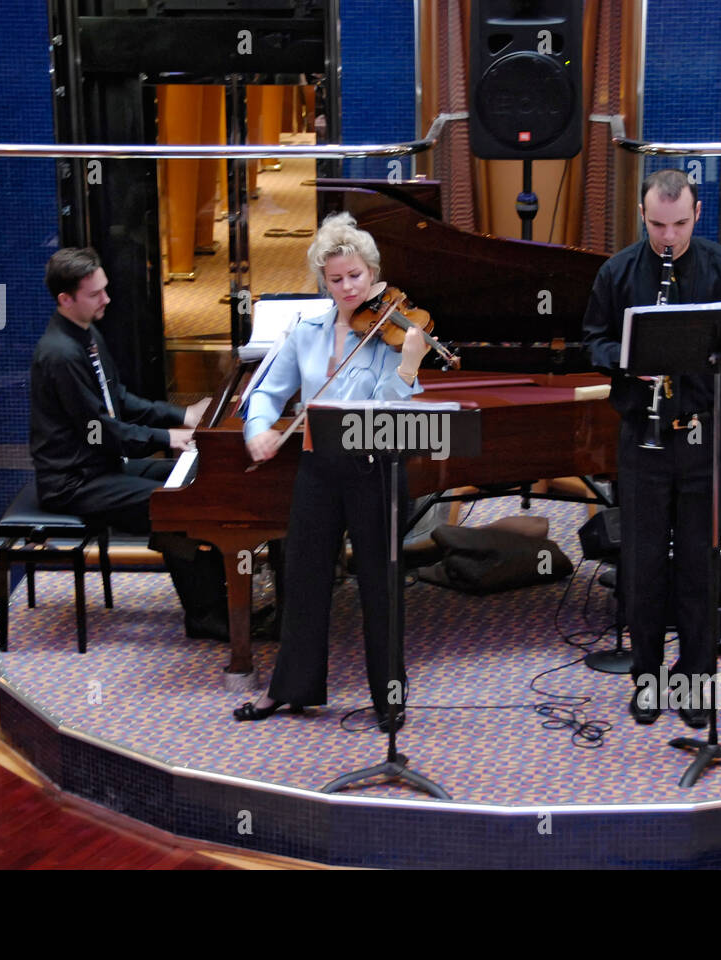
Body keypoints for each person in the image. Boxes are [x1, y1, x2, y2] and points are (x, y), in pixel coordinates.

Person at [231, 212, 432, 730]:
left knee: (380, 587)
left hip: (376, 471)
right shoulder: (306, 332)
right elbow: (266, 392)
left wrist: (409, 365)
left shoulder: (394, 331)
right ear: (323, 281)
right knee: (302, 580)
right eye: (336, 279)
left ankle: (389, 698)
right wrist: (258, 428)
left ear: (374, 273)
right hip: (318, 469)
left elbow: (396, 411)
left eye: (356, 276)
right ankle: (292, 689)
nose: (347, 288)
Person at [582, 169, 721, 727]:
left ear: (697, 215)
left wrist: (703, 368)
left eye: (679, 224)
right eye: (657, 224)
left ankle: (699, 683)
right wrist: (631, 359)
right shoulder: (619, 270)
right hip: (643, 438)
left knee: (703, 566)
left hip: (703, 437)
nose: (669, 237)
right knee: (643, 566)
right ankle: (648, 680)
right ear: (642, 213)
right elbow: (594, 339)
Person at [29, 246, 229, 639]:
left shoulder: (87, 334)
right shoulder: (60, 355)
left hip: (101, 466)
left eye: (105, 289)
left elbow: (117, 398)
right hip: (74, 481)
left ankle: (221, 598)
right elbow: (100, 430)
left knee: (200, 480)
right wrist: (167, 437)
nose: (107, 299)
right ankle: (207, 617)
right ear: (65, 300)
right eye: (95, 294)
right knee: (176, 506)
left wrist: (181, 415)